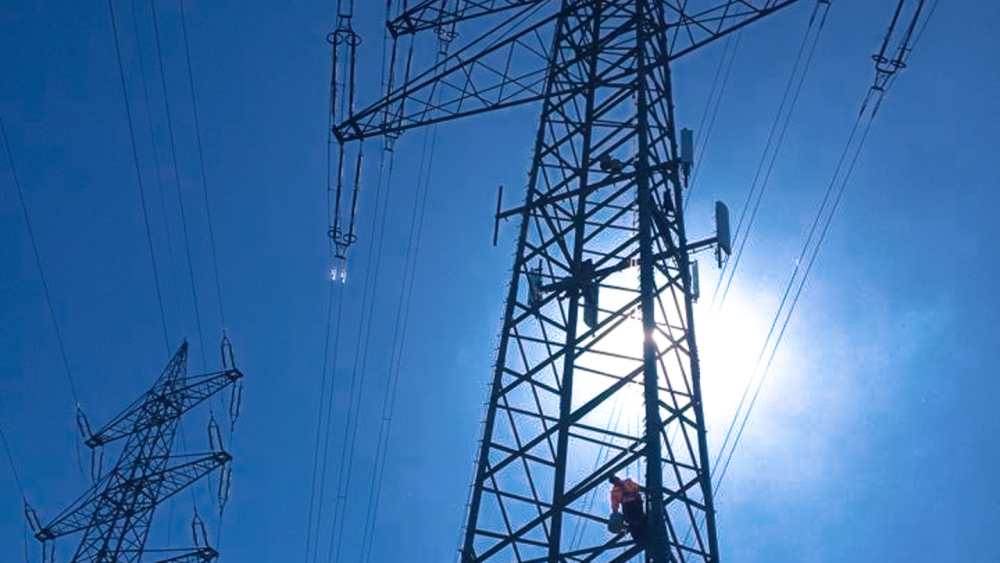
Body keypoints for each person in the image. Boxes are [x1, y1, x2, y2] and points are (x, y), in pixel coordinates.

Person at [608, 475, 645, 542]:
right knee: (630, 521)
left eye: (616, 479)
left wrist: (628, 488)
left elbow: (636, 487)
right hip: (626, 505)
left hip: (635, 501)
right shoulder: (614, 491)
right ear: (613, 483)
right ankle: (637, 537)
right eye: (614, 481)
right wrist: (615, 511)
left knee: (640, 517)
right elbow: (614, 502)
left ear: (618, 478)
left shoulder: (627, 482)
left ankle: (643, 532)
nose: (616, 481)